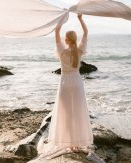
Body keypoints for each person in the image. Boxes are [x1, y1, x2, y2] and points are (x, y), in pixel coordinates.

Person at [44, 13, 93, 159]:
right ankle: (76, 144)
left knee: (66, 114)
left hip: (65, 84)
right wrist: (80, 18)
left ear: (66, 40)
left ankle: (67, 142)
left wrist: (61, 18)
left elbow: (57, 32)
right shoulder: (79, 51)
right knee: (77, 112)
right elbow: (86, 32)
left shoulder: (62, 51)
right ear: (75, 39)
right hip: (77, 83)